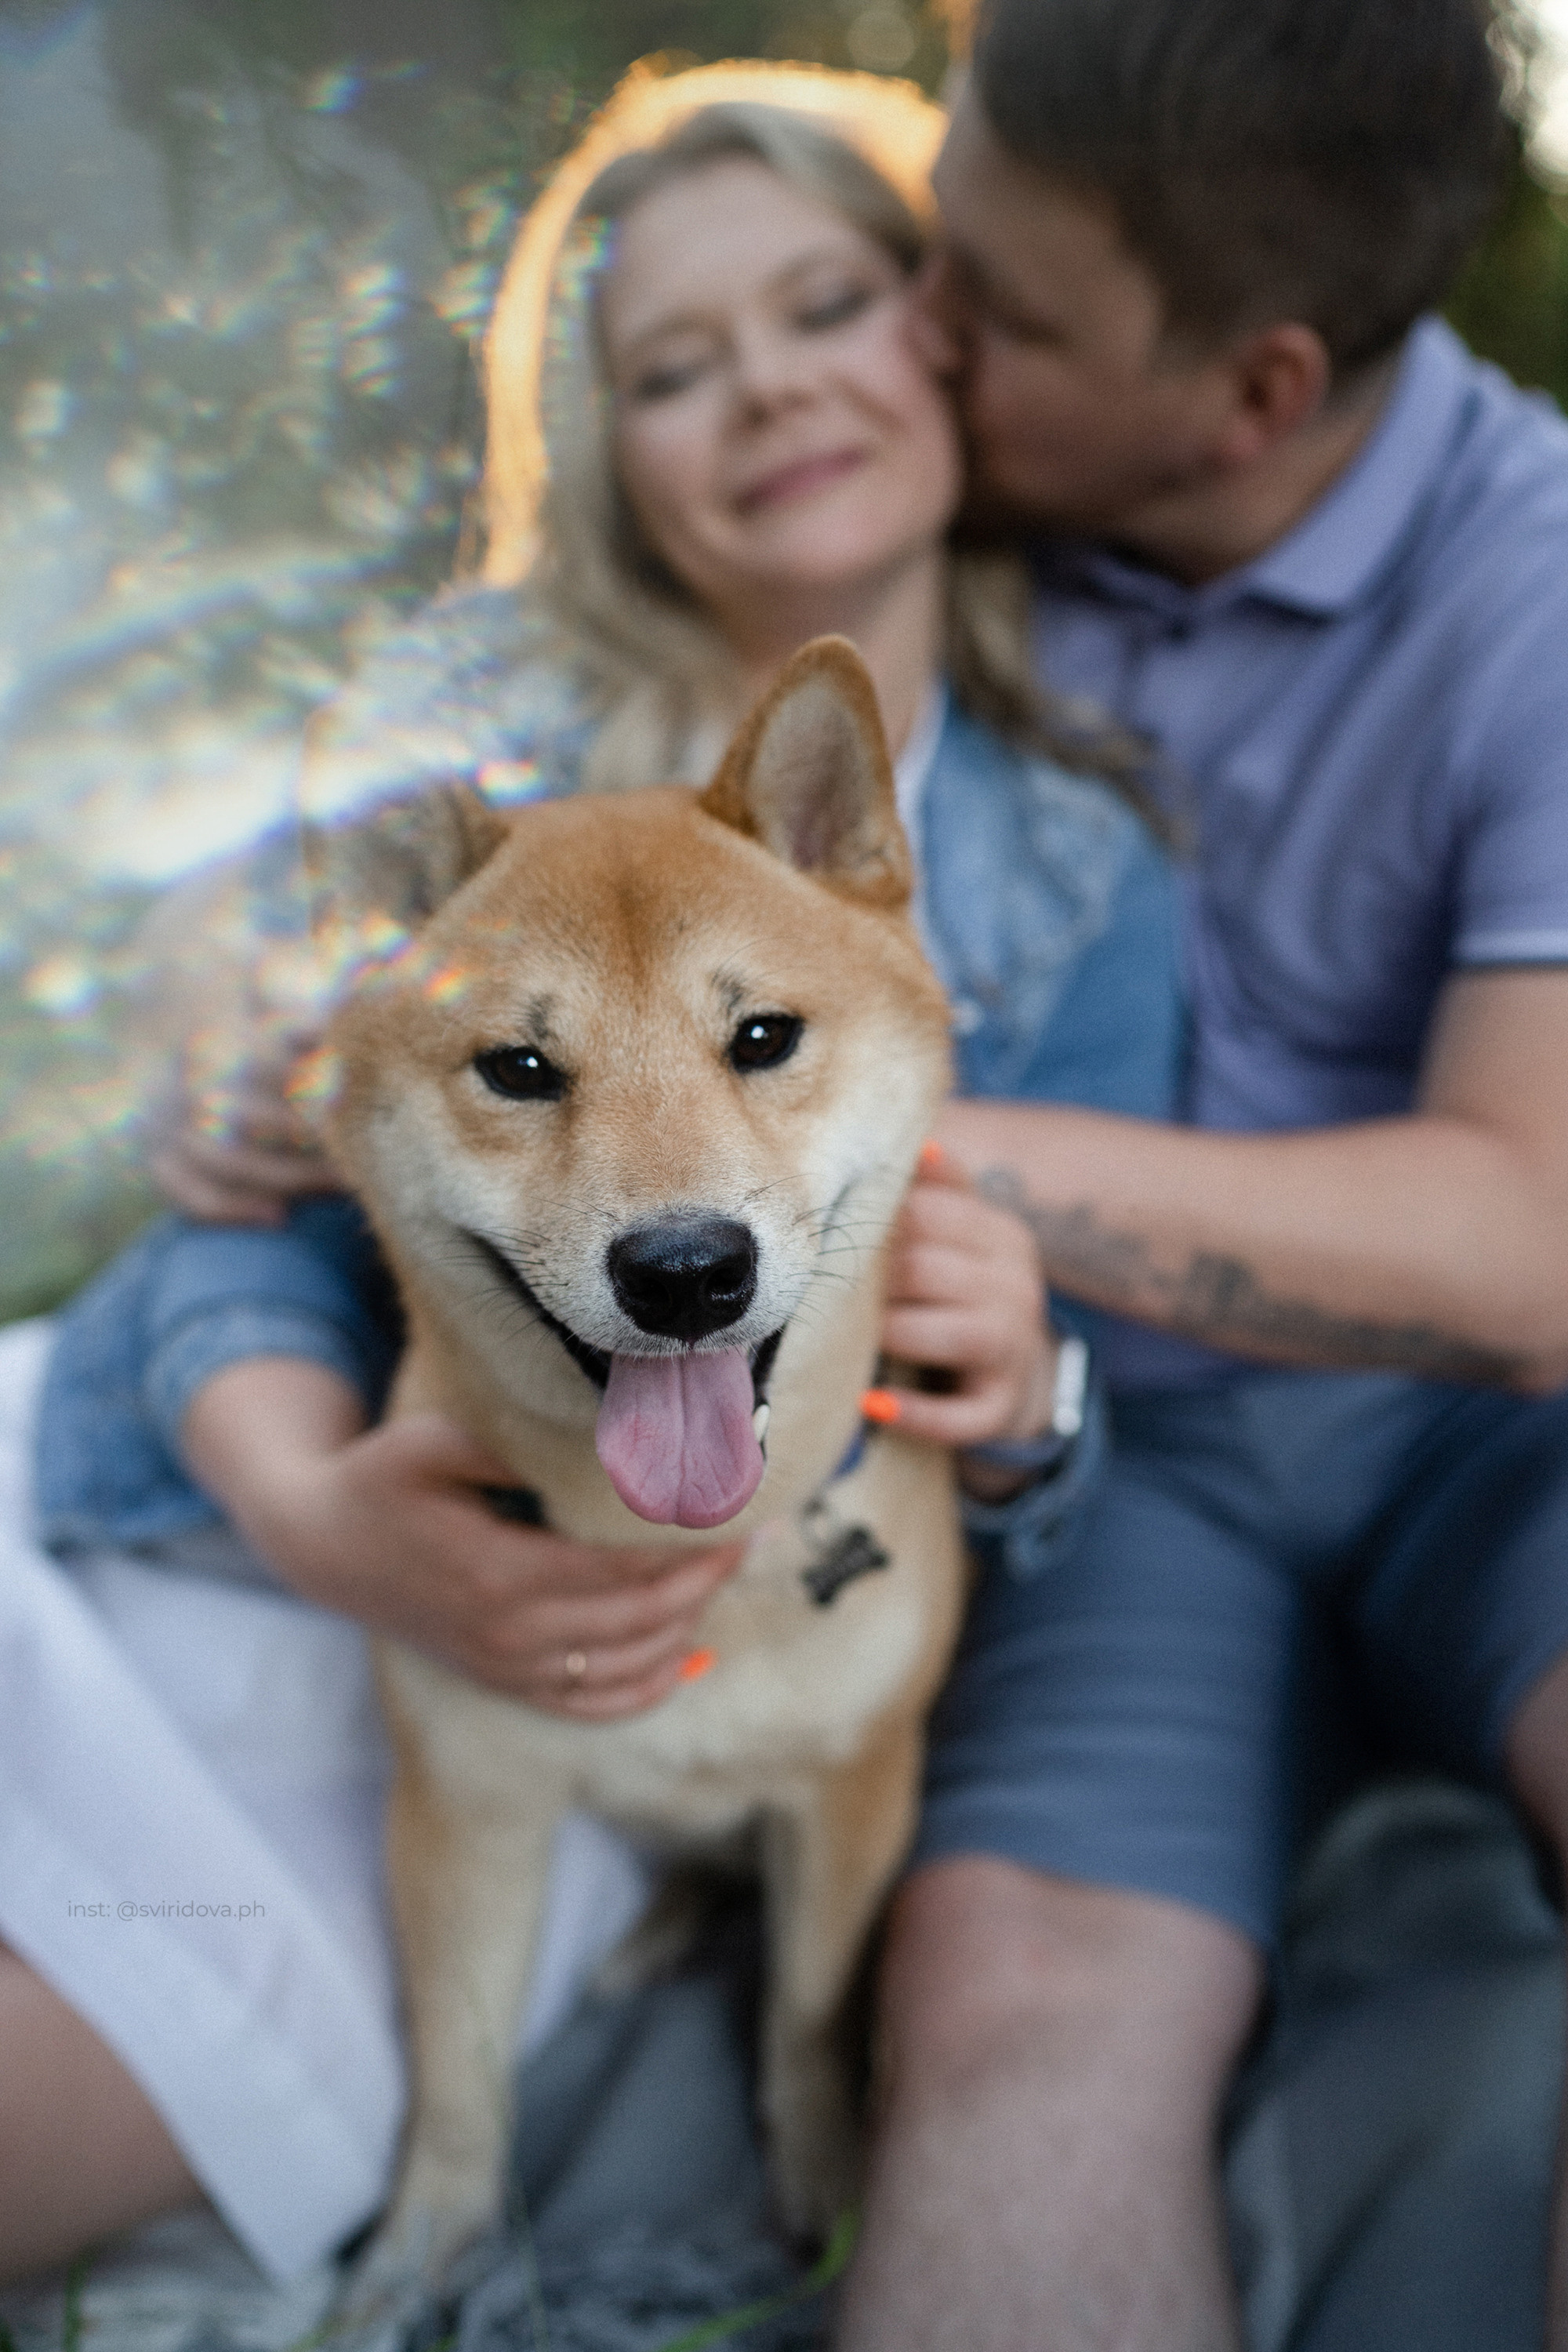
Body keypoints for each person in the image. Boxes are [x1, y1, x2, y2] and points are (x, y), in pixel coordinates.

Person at [1, 64, 1181, 2285]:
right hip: (252, 1502)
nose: (765, 392)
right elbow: (244, 1189)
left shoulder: (1085, 869)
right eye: (671, 362)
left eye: (824, 300)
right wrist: (307, 1498)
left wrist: (1038, 1404)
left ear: (945, 330)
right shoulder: (469, 755)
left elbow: (1121, 1398)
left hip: (665, 1621)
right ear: (606, 442)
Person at [827, 3, 1568, 2348]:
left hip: (1500, 1433)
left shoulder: (1539, 592)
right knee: (1015, 2006)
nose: (915, 334)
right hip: (1106, 1461)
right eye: (936, 247)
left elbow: (1536, 1243)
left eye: (1003, 312)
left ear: (1252, 389)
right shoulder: (914, 493)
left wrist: (874, 1141)